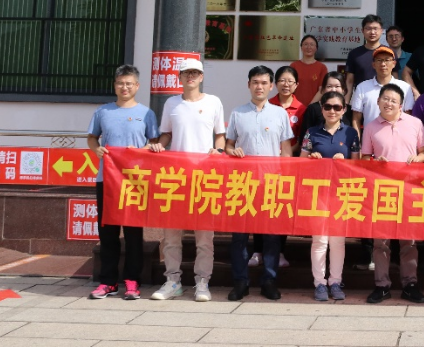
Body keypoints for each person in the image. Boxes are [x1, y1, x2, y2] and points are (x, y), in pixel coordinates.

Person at [149, 58, 224, 302]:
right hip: (176, 178)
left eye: (195, 72)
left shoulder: (214, 102)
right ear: (179, 77)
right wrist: (158, 146)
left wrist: (218, 151)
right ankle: (173, 281)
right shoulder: (172, 103)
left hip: (204, 178)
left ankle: (202, 282)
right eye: (186, 73)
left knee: (204, 237)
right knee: (172, 236)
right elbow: (166, 134)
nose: (190, 76)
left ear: (201, 77)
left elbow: (220, 136)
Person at [87, 65, 159, 300]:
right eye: (120, 83)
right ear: (114, 85)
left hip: (134, 181)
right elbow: (92, 137)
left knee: (133, 233)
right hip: (107, 178)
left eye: (129, 83)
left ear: (137, 86)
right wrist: (97, 149)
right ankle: (108, 282)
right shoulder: (103, 111)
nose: (124, 87)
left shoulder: (146, 113)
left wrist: (142, 150)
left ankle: (132, 281)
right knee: (107, 231)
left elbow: (154, 143)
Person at [224, 65, 294, 302]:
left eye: (264, 83)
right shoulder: (238, 113)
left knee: (271, 235)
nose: (259, 87)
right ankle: (240, 282)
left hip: (271, 182)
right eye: (255, 82)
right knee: (240, 236)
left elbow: (286, 150)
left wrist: (285, 180)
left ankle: (269, 281)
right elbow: (228, 145)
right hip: (243, 183)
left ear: (271, 86)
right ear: (249, 85)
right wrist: (233, 151)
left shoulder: (280, 114)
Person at [360, 83, 424, 304]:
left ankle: (410, 284)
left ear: (401, 105)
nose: (388, 103)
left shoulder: (415, 123)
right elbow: (364, 158)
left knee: (409, 241)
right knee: (381, 242)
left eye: (393, 100)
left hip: (409, 190)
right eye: (385, 99)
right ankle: (382, 285)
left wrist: (417, 158)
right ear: (378, 101)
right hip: (382, 191)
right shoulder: (370, 127)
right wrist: (375, 162)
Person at [302, 90, 361, 301]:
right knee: (319, 240)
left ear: (344, 110)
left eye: (337, 107)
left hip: (341, 193)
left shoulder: (351, 134)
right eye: (328, 107)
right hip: (317, 193)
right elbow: (301, 162)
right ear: (322, 109)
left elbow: (357, 166)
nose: (332, 111)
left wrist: (345, 163)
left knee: (337, 241)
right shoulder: (311, 132)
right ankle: (319, 283)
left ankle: (335, 281)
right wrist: (312, 159)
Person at [350, 46, 414, 132]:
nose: (383, 64)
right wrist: (358, 139)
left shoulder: (405, 88)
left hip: (397, 137)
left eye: (387, 60)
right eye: (379, 60)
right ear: (373, 64)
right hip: (370, 138)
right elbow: (356, 119)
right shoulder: (362, 87)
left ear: (394, 63)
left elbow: (408, 117)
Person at [345, 15, 385, 97]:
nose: (372, 32)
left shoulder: (388, 53)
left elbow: (395, 79)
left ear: (381, 30)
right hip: (362, 98)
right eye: (368, 28)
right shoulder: (354, 54)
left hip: (385, 98)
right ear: (362, 31)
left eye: (375, 28)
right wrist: (346, 102)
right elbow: (349, 81)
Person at [290, 34, 327, 108]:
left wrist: (310, 107)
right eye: (306, 44)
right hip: (295, 107)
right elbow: (290, 88)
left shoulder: (322, 67)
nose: (308, 47)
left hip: (314, 107)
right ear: (301, 47)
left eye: (312, 44)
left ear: (316, 48)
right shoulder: (294, 66)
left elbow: (322, 90)